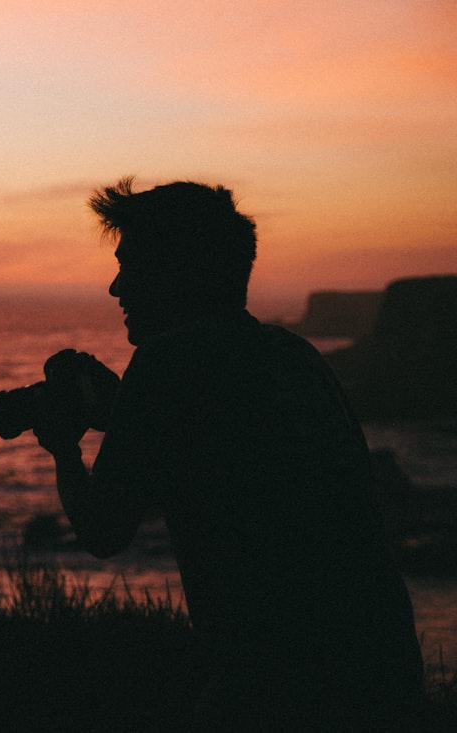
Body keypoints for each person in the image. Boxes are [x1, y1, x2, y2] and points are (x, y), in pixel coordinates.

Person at [26, 178, 423, 730]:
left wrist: (64, 446)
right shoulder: (293, 357)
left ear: (178, 273)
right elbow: (232, 454)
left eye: (132, 266)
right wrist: (125, 415)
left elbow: (102, 531)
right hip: (383, 666)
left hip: (277, 685)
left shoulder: (166, 365)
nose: (117, 288)